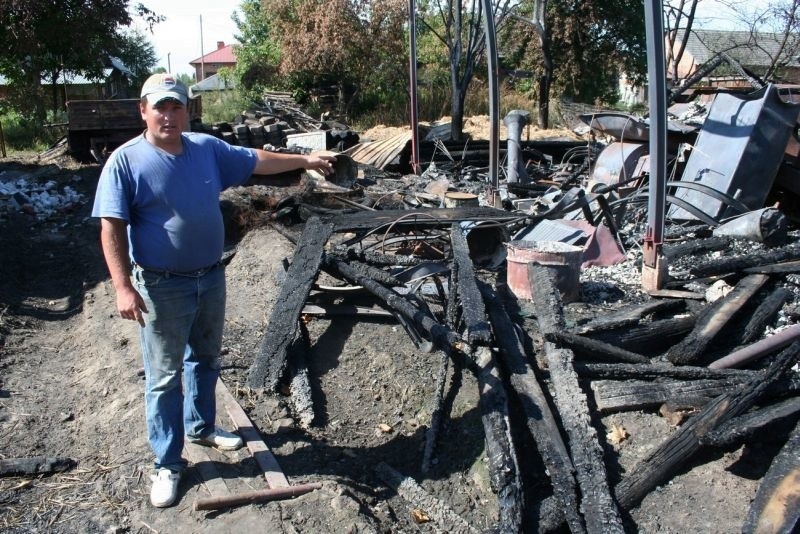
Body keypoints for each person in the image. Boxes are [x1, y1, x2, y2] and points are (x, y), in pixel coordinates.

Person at [92, 73, 336, 508]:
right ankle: (168, 463)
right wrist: (122, 287)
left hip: (210, 275)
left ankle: (201, 427)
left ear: (188, 111)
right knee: (164, 377)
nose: (169, 115)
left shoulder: (206, 149)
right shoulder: (126, 162)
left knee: (204, 359)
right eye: (160, 106)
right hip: (161, 285)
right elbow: (111, 226)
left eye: (177, 106)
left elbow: (257, 159)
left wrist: (304, 161)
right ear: (143, 110)